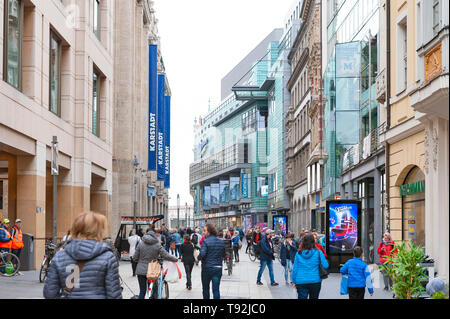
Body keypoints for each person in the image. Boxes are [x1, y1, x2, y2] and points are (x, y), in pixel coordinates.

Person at [43, 212, 122, 299]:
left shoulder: (59, 257)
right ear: (98, 231)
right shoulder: (107, 257)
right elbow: (114, 295)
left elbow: (49, 293)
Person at [133, 227, 178, 299]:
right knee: (154, 289)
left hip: (141, 270)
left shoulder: (141, 244)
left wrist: (140, 260)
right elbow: (165, 255)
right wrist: (175, 259)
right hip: (152, 270)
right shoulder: (157, 244)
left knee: (142, 291)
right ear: (155, 235)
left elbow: (135, 257)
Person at [291, 233, 329, 299]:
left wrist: (294, 281)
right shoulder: (318, 252)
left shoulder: (298, 253)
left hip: (300, 281)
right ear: (313, 241)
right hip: (315, 280)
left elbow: (295, 269)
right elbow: (325, 265)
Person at [198, 223, 225, 299]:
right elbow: (223, 254)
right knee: (216, 290)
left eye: (205, 231)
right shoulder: (221, 242)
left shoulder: (205, 241)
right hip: (217, 268)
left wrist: (198, 257)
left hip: (207, 268)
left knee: (206, 289)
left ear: (209, 232)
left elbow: (202, 254)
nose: (203, 232)